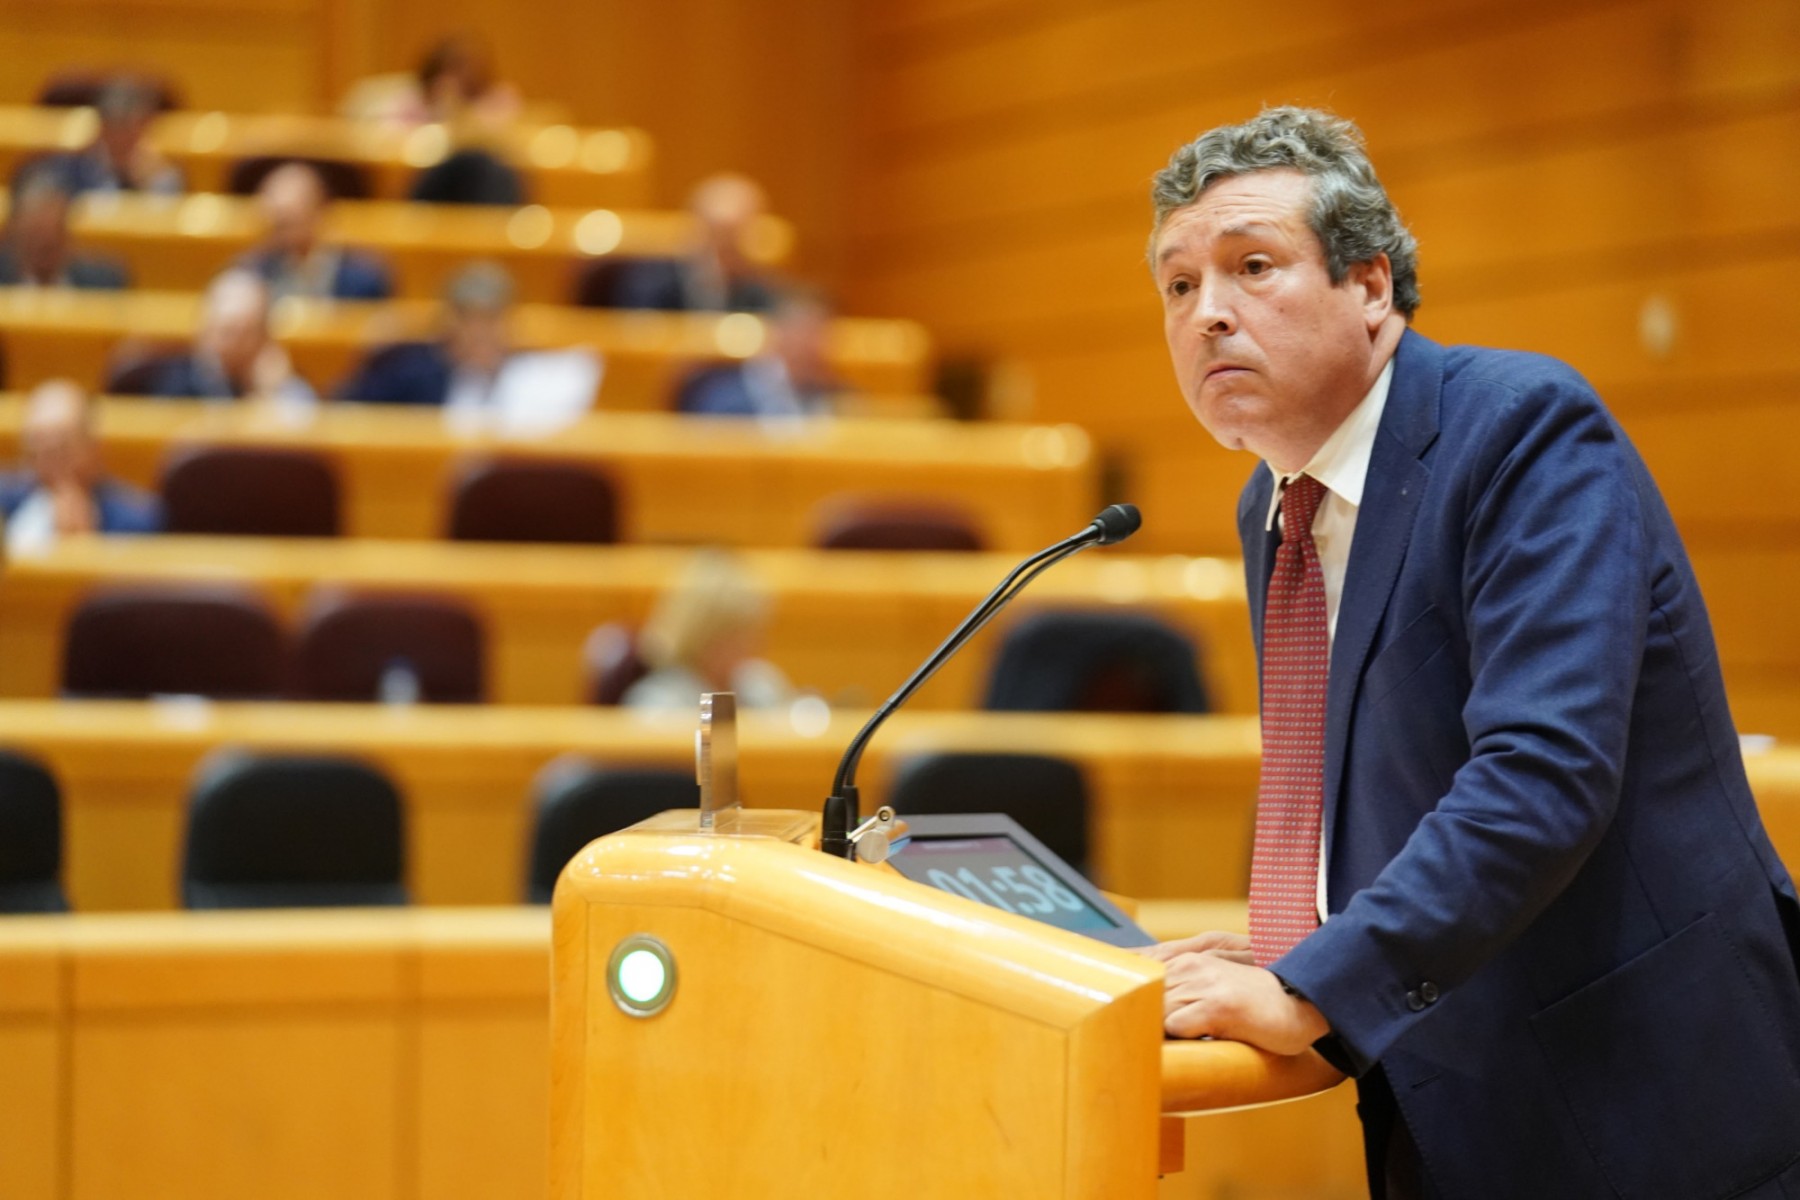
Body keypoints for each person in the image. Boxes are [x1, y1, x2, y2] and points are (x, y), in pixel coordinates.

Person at [1140, 106, 1800, 1198]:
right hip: (1448, 1085)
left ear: (1370, 286)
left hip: (1644, 1089)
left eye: (1252, 266)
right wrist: (1298, 950)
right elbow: (1387, 773)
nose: (1207, 312)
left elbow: (1544, 773)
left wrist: (1316, 988)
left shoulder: (1521, 431)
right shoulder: (1275, 503)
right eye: (1177, 284)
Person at [335, 261, 597, 429]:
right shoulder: (408, 369)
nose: (479, 332)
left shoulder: (534, 378)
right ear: (448, 321)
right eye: (469, 319)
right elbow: (343, 412)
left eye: (491, 319)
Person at [0, 379, 161, 554]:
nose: (50, 463)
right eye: (37, 450)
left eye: (62, 450)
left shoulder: (138, 518)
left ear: (94, 448)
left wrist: (86, 545)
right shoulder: (4, 501)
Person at [622, 549, 793, 711]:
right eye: (733, 636)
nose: (750, 646)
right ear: (700, 635)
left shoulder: (761, 684)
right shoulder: (658, 702)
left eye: (750, 633)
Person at [600, 172, 779, 313]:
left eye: (737, 235)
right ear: (694, 228)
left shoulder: (764, 290)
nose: (726, 246)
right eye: (718, 233)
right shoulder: (650, 285)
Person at [132, 269, 315, 403]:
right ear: (203, 328)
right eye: (227, 331)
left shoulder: (278, 382)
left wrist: (273, 393)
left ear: (264, 337)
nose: (235, 344)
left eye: (246, 333)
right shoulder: (174, 385)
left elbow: (305, 427)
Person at [236, 162, 392, 301]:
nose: (285, 232)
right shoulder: (251, 273)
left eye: (292, 221)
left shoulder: (364, 276)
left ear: (320, 211)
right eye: (279, 224)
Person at [676, 288, 843, 418]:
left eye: (820, 336)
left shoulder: (839, 399)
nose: (813, 345)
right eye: (805, 333)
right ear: (779, 333)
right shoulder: (725, 399)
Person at [40, 78, 183, 197]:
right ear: (101, 127)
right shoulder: (73, 167)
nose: (121, 138)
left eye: (128, 128)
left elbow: (164, 214)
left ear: (142, 128)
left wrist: (146, 184)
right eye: (114, 127)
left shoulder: (162, 175)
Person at [0, 165, 130, 289]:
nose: (45, 241)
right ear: (14, 229)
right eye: (35, 234)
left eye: (55, 232)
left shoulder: (104, 283)